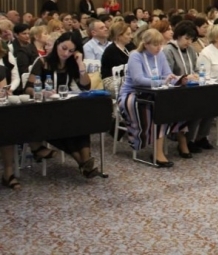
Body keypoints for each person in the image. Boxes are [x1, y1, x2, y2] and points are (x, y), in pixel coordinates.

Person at [25, 32, 102, 178]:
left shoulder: (72, 64)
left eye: (71, 51)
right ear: (57, 45)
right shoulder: (42, 62)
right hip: (44, 109)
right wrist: (41, 92)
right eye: (64, 48)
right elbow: (27, 88)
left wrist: (80, 64)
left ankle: (85, 161)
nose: (66, 53)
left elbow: (85, 86)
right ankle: (83, 163)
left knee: (81, 122)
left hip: (64, 107)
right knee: (63, 125)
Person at [118, 29, 188, 168]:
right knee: (158, 108)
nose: (159, 48)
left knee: (177, 103)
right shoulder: (135, 56)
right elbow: (138, 80)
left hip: (155, 93)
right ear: (145, 44)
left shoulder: (160, 54)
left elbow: (167, 75)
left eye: (160, 44)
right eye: (155, 45)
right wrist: (163, 82)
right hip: (132, 94)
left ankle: (176, 142)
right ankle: (157, 152)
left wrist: (178, 80)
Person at [163, 21, 214, 154]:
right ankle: (187, 140)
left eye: (191, 39)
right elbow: (167, 74)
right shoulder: (168, 50)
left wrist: (196, 75)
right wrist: (184, 77)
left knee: (211, 105)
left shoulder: (190, 50)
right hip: (175, 91)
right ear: (178, 36)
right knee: (195, 109)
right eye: (186, 38)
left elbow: (196, 69)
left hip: (191, 89)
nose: (189, 42)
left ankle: (200, 137)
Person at [100, 21, 134, 95]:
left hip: (123, 78)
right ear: (119, 36)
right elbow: (121, 70)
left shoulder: (127, 47)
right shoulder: (111, 50)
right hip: (111, 81)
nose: (131, 36)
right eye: (128, 34)